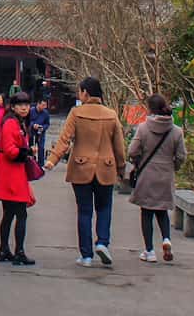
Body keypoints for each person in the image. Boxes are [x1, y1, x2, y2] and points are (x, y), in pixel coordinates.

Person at [45, 77, 125, 268]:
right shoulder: (111, 114)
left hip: (81, 167)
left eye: (80, 92)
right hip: (106, 167)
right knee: (104, 208)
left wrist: (52, 160)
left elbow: (65, 139)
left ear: (85, 93)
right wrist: (121, 168)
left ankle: (86, 255)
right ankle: (103, 242)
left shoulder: (77, 113)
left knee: (85, 211)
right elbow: (119, 146)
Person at [128, 94, 187, 263]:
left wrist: (138, 162)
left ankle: (149, 251)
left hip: (147, 175)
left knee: (146, 212)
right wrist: (173, 167)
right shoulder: (176, 131)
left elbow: (132, 151)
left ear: (150, 109)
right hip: (166, 174)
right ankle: (166, 239)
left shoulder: (143, 128)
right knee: (162, 211)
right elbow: (182, 156)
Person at [0, 91, 37, 266]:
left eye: (26, 104)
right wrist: (28, 152)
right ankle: (19, 252)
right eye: (20, 105)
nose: (24, 108)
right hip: (11, 172)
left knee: (9, 213)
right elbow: (11, 151)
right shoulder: (11, 123)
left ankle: (4, 250)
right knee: (20, 214)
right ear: (14, 107)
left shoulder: (17, 122)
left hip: (9, 171)